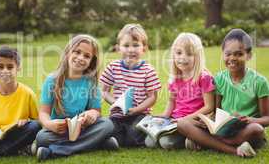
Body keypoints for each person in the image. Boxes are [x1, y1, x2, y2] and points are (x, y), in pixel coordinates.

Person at [178, 28, 269, 157]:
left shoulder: (260, 82)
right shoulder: (219, 79)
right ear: (223, 55)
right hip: (224, 130)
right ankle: (235, 150)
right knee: (182, 124)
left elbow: (267, 118)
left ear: (249, 55)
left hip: (246, 130)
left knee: (256, 129)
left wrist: (249, 120)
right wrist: (208, 121)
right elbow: (216, 111)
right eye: (228, 54)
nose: (232, 58)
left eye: (238, 54)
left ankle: (206, 143)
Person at [35, 34, 116, 161]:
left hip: (83, 129)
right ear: (68, 53)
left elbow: (97, 111)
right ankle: (97, 143)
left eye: (86, 56)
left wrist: (92, 114)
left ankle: (55, 151)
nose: (80, 58)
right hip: (60, 132)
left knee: (107, 124)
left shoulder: (91, 82)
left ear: (91, 61)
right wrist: (49, 124)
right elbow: (43, 113)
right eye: (77, 52)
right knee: (41, 137)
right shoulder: (52, 80)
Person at [145, 33, 215, 149]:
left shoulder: (204, 78)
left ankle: (196, 139)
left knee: (166, 143)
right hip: (174, 121)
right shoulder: (175, 79)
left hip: (193, 121)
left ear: (197, 57)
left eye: (189, 54)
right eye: (178, 53)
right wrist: (164, 116)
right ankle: (192, 140)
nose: (182, 57)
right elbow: (172, 102)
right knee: (149, 142)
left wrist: (186, 119)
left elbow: (209, 106)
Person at [100, 23, 162, 147]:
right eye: (126, 45)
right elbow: (104, 91)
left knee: (132, 137)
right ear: (118, 48)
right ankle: (115, 139)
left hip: (140, 115)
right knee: (108, 128)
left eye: (135, 45)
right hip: (118, 115)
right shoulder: (113, 67)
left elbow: (152, 97)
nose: (131, 50)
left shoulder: (148, 70)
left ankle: (141, 136)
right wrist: (115, 103)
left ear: (144, 48)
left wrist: (136, 110)